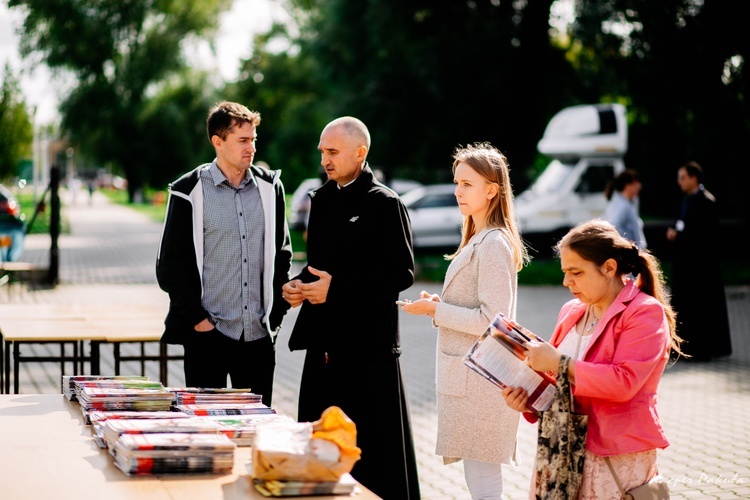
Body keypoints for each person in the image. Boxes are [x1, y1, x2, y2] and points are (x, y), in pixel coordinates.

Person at [282, 116, 420, 499]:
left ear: (360, 153)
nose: (325, 159)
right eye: (322, 152)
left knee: (375, 461)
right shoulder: (321, 200)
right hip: (324, 350)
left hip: (369, 352)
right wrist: (298, 286)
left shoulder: (385, 203)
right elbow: (319, 267)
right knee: (320, 452)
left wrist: (337, 289)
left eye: (333, 151)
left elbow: (402, 274)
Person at [502, 219, 685, 499]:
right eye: (564, 272)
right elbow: (559, 384)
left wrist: (558, 362)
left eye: (576, 272)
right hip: (562, 449)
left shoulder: (645, 312)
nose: (566, 282)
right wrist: (528, 400)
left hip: (615, 455)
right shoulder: (571, 310)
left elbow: (624, 383)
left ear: (609, 268)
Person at [400, 142, 530, 499]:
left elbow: (493, 319)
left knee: (484, 482)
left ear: (492, 190)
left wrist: (436, 311)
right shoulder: (481, 238)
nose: (458, 191)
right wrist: (442, 304)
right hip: (472, 378)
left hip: (481, 380)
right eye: (456, 183)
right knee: (479, 478)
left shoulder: (493, 244)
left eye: (467, 184)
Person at [156, 101, 293, 407]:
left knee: (256, 431)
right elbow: (169, 266)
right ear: (218, 142)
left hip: (258, 337)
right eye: (243, 140)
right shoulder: (188, 191)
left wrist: (276, 315)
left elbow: (282, 254)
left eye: (253, 139)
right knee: (208, 434)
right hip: (207, 336)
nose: (252, 148)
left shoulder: (271, 188)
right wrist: (199, 320)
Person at [666, 161, 731, 361]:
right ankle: (687, 348)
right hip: (687, 265)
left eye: (683, 177)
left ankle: (703, 349)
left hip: (701, 268)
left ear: (694, 178)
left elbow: (705, 237)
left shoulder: (706, 201)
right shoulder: (689, 199)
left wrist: (679, 236)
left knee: (702, 310)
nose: (679, 182)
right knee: (687, 308)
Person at [603, 168, 647, 248]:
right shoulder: (623, 205)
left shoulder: (619, 201)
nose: (640, 186)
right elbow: (614, 225)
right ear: (628, 186)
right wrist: (627, 246)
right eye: (637, 183)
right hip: (628, 254)